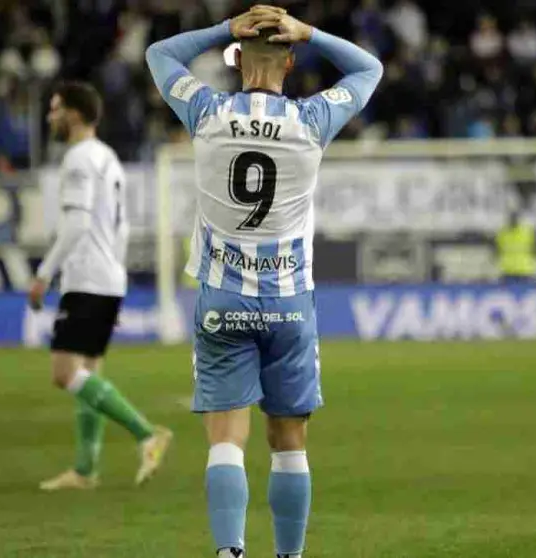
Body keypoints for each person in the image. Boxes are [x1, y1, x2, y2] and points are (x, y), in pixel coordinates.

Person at [146, 6, 382, 557]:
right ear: (291, 63)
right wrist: (312, 31)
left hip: (223, 301)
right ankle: (290, 556)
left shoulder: (206, 110)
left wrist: (223, 29)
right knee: (289, 446)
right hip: (289, 305)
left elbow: (159, 55)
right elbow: (368, 69)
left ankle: (230, 552)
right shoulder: (311, 119)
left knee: (226, 441)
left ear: (236, 61)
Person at [29, 81, 172, 491]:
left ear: (74, 113)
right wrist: (114, 269)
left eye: (55, 109)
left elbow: (76, 224)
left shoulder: (77, 159)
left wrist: (44, 273)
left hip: (87, 276)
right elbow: (121, 226)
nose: (50, 116)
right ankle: (85, 469)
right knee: (88, 373)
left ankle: (148, 433)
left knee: (64, 372)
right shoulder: (108, 157)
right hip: (109, 275)